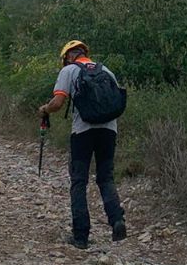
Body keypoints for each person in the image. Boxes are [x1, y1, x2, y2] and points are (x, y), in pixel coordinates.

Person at [37, 40, 127, 249]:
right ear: (84, 53)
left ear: (68, 56)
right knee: (106, 178)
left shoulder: (69, 70)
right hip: (109, 130)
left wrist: (45, 110)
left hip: (83, 131)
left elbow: (58, 103)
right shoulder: (106, 70)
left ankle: (81, 236)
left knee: (79, 181)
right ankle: (117, 221)